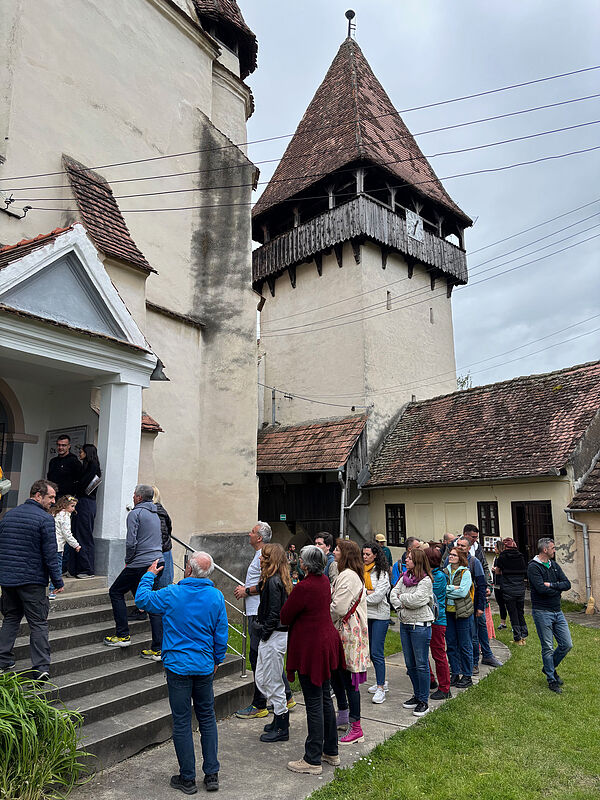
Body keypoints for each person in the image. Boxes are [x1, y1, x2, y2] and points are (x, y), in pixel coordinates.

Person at [135, 551, 227, 793]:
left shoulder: (173, 594)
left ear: (188, 570)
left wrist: (148, 575)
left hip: (177, 667)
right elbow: (221, 634)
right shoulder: (216, 597)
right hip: (204, 665)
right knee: (207, 718)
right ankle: (212, 775)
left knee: (182, 721)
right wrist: (218, 659)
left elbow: (142, 600)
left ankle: (187, 778)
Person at [280, 545, 345, 775]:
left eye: (300, 560)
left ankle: (312, 758)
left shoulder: (305, 587)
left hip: (312, 648)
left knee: (315, 702)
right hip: (325, 642)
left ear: (305, 565)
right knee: (324, 698)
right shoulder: (324, 581)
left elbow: (285, 615)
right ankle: (330, 750)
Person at [0, 480, 64, 680]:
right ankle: (41, 667)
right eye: (51, 497)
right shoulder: (45, 519)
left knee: (10, 618)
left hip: (9, 580)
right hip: (33, 581)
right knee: (38, 623)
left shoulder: (8, 516)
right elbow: (50, 554)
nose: (53, 502)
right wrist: (58, 581)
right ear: (38, 495)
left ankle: (2, 660)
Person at [233, 522, 294, 718]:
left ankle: (260, 704)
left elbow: (266, 584)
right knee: (266, 657)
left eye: (252, 531)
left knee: (258, 657)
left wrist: (246, 590)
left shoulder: (264, 556)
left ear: (259, 538)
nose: (249, 533)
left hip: (259, 613)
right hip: (258, 611)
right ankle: (286, 696)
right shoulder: (261, 555)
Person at [103, 484, 163, 659]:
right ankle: (158, 648)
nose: (133, 497)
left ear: (138, 497)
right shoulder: (156, 514)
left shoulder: (135, 513)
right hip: (158, 561)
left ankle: (122, 635)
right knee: (152, 602)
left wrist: (128, 560)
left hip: (140, 563)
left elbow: (131, 542)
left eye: (134, 495)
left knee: (115, 591)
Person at [330, 538, 368, 744]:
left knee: (350, 679)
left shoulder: (349, 577)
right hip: (342, 633)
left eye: (337, 550)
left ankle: (356, 727)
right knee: (337, 675)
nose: (334, 552)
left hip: (349, 635)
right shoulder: (345, 575)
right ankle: (343, 715)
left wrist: (323, 614)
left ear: (345, 555)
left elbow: (338, 608)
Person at [255, 543, 293, 743]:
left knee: (270, 680)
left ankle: (282, 726)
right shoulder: (276, 579)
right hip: (276, 634)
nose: (260, 559)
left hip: (274, 635)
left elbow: (274, 612)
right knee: (265, 677)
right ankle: (279, 718)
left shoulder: (273, 581)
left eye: (264, 556)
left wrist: (264, 633)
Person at [390, 548, 434, 716]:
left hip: (420, 626)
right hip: (405, 623)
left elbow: (418, 600)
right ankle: (416, 695)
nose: (406, 561)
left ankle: (424, 700)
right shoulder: (404, 577)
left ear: (417, 561)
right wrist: (401, 600)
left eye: (409, 558)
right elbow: (393, 593)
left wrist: (402, 599)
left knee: (421, 663)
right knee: (410, 664)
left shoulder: (426, 580)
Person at [527, 538, 573, 694]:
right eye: (553, 548)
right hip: (542, 612)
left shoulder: (553, 565)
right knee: (547, 647)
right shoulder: (533, 567)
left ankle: (549, 668)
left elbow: (567, 584)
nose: (555, 550)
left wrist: (552, 585)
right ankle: (552, 680)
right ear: (545, 550)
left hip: (557, 611)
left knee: (567, 644)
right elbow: (540, 589)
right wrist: (557, 590)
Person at [455, 537, 502, 671]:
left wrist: (481, 605)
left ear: (469, 548)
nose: (459, 547)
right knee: (464, 636)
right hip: (458, 605)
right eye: (458, 545)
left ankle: (475, 662)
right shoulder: (451, 559)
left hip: (474, 603)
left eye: (462, 546)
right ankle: (463, 662)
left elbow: (482, 582)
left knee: (475, 633)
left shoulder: (474, 562)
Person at [362, 542, 390, 704]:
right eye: (363, 554)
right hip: (366, 615)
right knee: (371, 652)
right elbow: (357, 590)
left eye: (368, 555)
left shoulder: (382, 574)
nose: (364, 557)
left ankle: (381, 687)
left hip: (380, 615)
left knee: (377, 652)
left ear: (375, 555)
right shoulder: (360, 571)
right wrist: (367, 592)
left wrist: (362, 597)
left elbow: (378, 597)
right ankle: (381, 680)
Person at [443, 547, 474, 689]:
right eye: (450, 554)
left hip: (462, 612)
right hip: (448, 612)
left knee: (465, 644)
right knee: (451, 643)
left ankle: (467, 675)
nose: (451, 557)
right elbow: (441, 589)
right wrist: (452, 588)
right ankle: (455, 672)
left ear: (460, 558)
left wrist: (449, 589)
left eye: (454, 555)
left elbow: (462, 592)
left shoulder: (465, 572)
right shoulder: (445, 571)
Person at [70, 443, 101, 578]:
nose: (80, 454)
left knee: (83, 535)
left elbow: (84, 487)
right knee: (76, 534)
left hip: (86, 503)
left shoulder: (93, 468)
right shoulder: (87, 467)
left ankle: (87, 569)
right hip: (82, 502)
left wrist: (76, 484)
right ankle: (76, 567)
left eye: (82, 452)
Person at [425, 546, 451, 700]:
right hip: (427, 619)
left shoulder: (439, 576)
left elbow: (429, 595)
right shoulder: (427, 575)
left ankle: (445, 688)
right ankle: (430, 679)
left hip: (437, 620)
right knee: (422, 653)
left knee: (438, 655)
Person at [496, 538, 528, 645]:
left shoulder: (503, 556)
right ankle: (524, 635)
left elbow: (497, 571)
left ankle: (517, 638)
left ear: (505, 546)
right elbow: (524, 571)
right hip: (520, 587)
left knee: (512, 612)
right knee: (520, 611)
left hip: (508, 587)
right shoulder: (520, 556)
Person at [49, 495, 80, 599]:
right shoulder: (65, 516)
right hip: (58, 546)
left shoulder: (54, 513)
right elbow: (67, 533)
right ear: (65, 505)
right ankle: (53, 590)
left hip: (49, 544)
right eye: (72, 506)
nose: (73, 509)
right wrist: (76, 544)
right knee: (57, 568)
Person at [154, 486, 174, 588]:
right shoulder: (162, 511)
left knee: (161, 586)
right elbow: (168, 530)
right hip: (165, 550)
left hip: (159, 552)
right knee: (165, 584)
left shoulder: (154, 512)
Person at [492, 540, 508, 629]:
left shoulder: (504, 558)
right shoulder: (496, 558)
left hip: (504, 584)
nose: (494, 549)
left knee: (508, 604)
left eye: (495, 547)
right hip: (496, 583)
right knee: (501, 604)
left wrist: (497, 570)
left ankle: (514, 624)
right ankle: (503, 623)